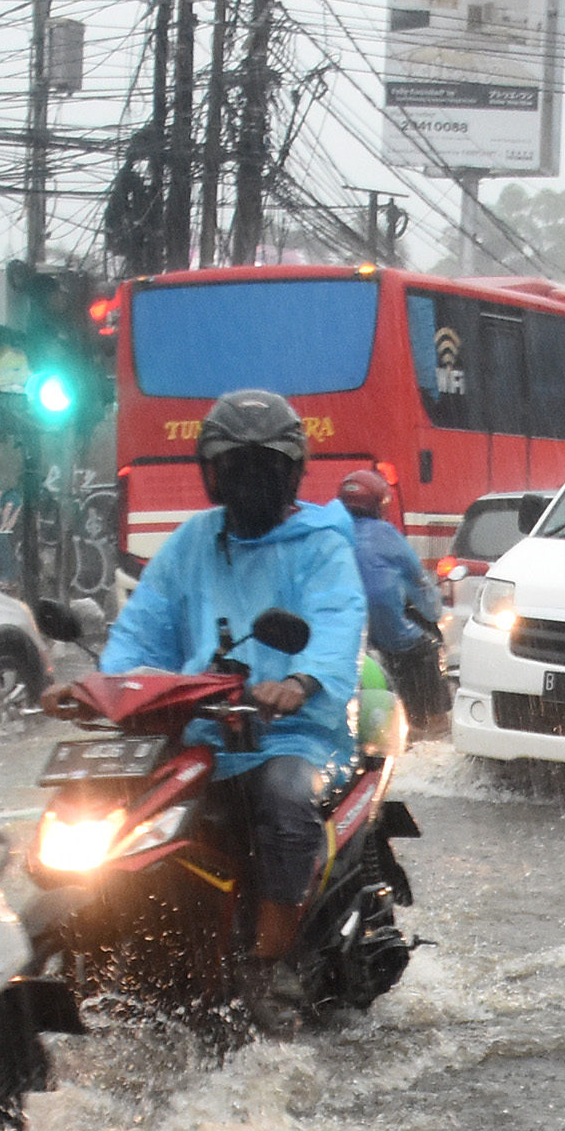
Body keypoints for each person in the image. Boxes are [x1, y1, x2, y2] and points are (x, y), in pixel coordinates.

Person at [98, 387, 366, 977]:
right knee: (112, 797)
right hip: (203, 730)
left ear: (290, 474)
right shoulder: (193, 540)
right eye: (234, 467)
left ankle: (273, 964)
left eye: (262, 468)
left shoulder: (322, 546)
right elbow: (143, 629)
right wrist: (99, 688)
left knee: (285, 802)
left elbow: (337, 622)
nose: (248, 482)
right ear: (211, 474)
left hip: (293, 735)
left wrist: (300, 681)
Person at [335, 466, 446, 729]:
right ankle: (430, 722)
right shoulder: (386, 534)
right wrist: (433, 610)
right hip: (387, 632)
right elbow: (419, 582)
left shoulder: (332, 532)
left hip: (342, 632)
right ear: (378, 503)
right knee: (426, 650)